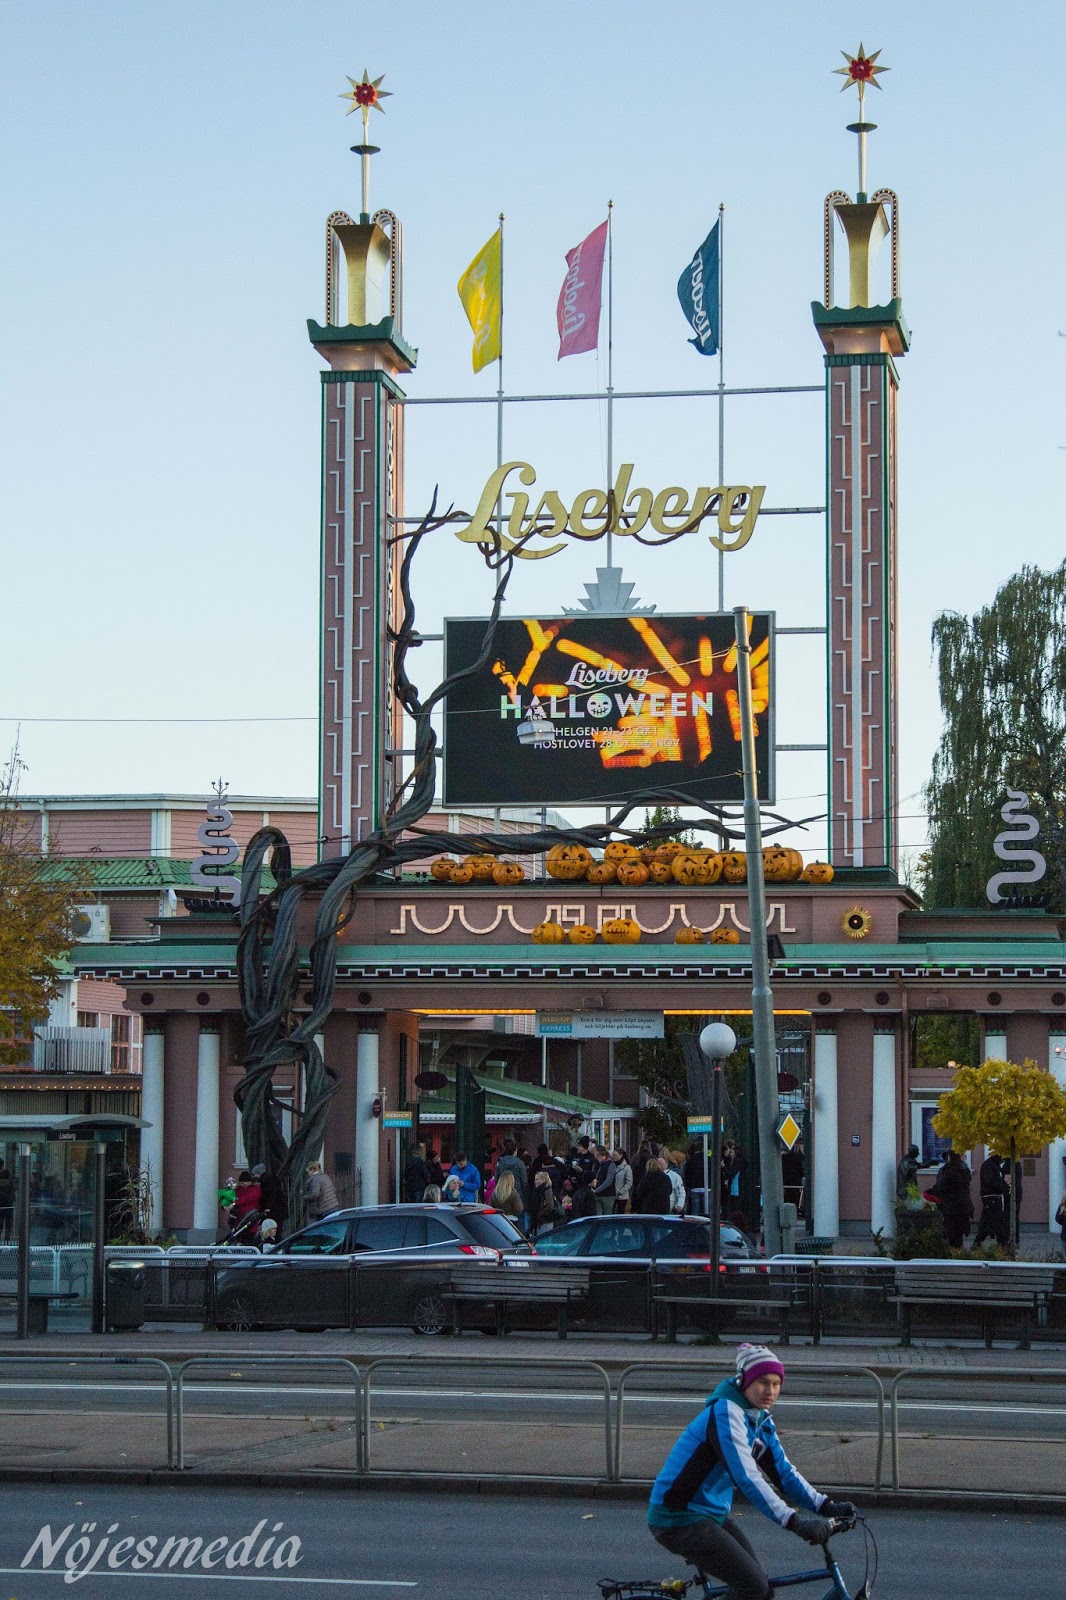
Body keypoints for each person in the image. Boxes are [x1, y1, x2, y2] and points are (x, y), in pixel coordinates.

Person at [648, 1342, 855, 1600]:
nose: (770, 1391)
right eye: (762, 1382)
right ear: (743, 1382)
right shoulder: (726, 1413)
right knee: (753, 1587)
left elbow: (783, 1473)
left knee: (763, 1590)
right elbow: (748, 1477)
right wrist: (795, 1522)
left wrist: (826, 1506)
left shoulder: (759, 1419)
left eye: (776, 1384)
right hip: (677, 1517)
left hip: (710, 1514)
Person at [932, 1149, 973, 1248]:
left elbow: (941, 1187)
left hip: (950, 1206)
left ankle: (952, 1254)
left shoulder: (947, 1170)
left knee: (950, 1232)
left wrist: (935, 1191)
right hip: (962, 1205)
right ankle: (958, 1252)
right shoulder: (964, 1169)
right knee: (959, 1234)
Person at [974, 1151, 1010, 1247]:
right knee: (997, 1221)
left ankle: (978, 1243)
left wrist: (1004, 1187)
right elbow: (993, 1182)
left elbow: (998, 1181)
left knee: (987, 1221)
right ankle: (1002, 1244)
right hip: (991, 1197)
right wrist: (1004, 1187)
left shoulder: (994, 1165)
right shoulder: (990, 1166)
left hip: (992, 1197)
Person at [250, 1163, 289, 1232]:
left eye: (254, 1174)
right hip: (278, 1210)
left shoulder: (266, 1182)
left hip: (274, 1211)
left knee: (273, 1228)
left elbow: (271, 1196)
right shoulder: (270, 1179)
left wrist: (268, 1207)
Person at [530, 1169, 558, 1236]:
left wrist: (539, 1214)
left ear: (543, 1180)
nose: (535, 1181)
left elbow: (550, 1206)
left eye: (537, 1179)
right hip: (540, 1221)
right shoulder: (538, 1191)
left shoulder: (547, 1190)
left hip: (545, 1221)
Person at [591, 1146, 618, 1215]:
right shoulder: (595, 1164)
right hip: (597, 1194)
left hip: (608, 1195)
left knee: (607, 1215)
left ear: (598, 1153)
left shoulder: (610, 1164)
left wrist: (596, 1190)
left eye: (595, 1152)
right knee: (598, 1215)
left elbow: (608, 1181)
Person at [612, 1147, 634, 1214]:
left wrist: (621, 1191)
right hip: (612, 1194)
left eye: (615, 1155)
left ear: (621, 1155)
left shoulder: (627, 1167)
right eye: (613, 1155)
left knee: (620, 1212)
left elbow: (629, 1182)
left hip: (622, 1196)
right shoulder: (611, 1165)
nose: (613, 1157)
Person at [0, 1162, 15, 1239]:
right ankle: (7, 1241)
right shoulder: (9, 1185)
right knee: (8, 1226)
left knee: (0, 1225)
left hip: (1, 1207)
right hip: (8, 1207)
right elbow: (13, 1198)